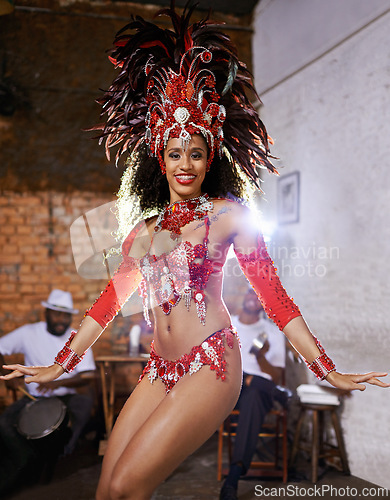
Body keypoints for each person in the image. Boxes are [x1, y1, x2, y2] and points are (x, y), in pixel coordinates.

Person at [1, 4, 388, 499]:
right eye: (175, 152)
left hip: (211, 362)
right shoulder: (143, 230)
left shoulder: (228, 215)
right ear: (160, 159)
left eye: (196, 152)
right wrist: (60, 363)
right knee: (106, 490)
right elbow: (108, 304)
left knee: (128, 484)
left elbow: (275, 298)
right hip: (160, 367)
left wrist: (326, 368)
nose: (185, 164)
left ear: (210, 159)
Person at [0, 289, 96, 493]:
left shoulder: (77, 339)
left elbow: (88, 376)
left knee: (83, 406)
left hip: (66, 398)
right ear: (47, 313)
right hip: (34, 399)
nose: (61, 319)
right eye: (56, 313)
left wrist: (57, 383)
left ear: (70, 316)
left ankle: (60, 460)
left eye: (65, 315)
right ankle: (28, 462)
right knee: (5, 424)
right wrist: (8, 379)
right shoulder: (29, 333)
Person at [220, 287, 291, 500]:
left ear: (263, 303)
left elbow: (276, 375)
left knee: (255, 395)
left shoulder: (272, 331)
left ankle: (232, 480)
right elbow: (218, 362)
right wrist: (244, 377)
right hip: (231, 388)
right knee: (251, 383)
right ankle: (280, 394)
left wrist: (260, 356)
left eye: (258, 295)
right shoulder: (227, 325)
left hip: (258, 394)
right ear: (244, 298)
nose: (253, 297)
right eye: (250, 293)